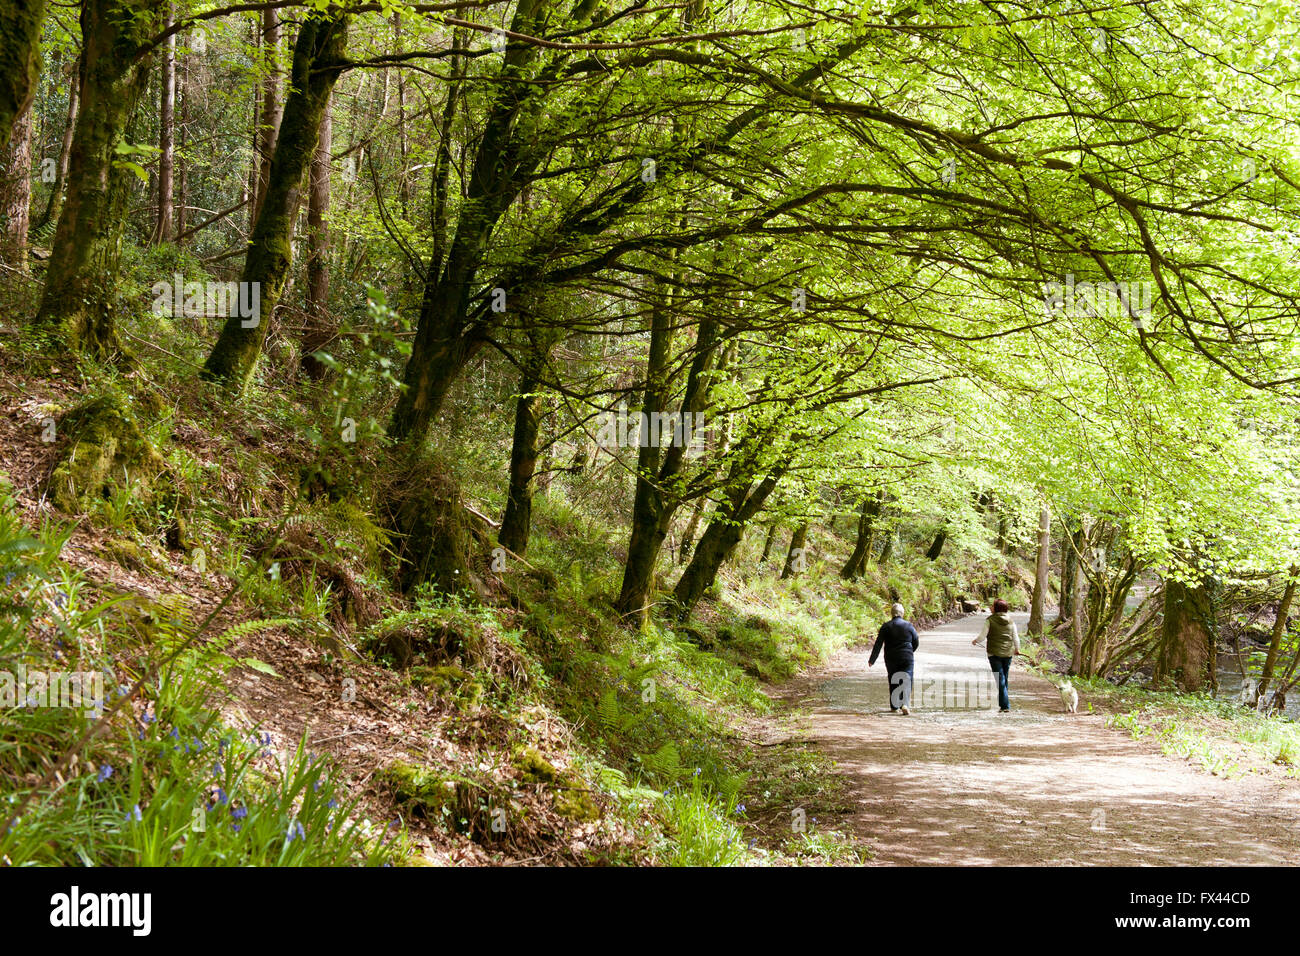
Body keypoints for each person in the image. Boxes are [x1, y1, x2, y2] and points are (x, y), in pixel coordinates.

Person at [869, 603, 920, 715]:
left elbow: (878, 644)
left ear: (891, 614)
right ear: (902, 613)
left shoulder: (886, 626)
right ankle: (905, 704)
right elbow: (916, 641)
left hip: (891, 657)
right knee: (907, 678)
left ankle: (894, 706)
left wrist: (872, 660)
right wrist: (910, 651)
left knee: (893, 679)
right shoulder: (909, 626)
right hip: (907, 656)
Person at [973, 599, 1021, 712]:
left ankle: (1005, 706)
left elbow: (982, 636)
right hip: (1008, 653)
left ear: (996, 608)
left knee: (1000, 679)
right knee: (1004, 678)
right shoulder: (1011, 621)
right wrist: (1017, 649)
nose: (990, 607)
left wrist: (976, 641)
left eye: (992, 606)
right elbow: (1015, 637)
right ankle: (1003, 703)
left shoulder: (990, 620)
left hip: (994, 653)